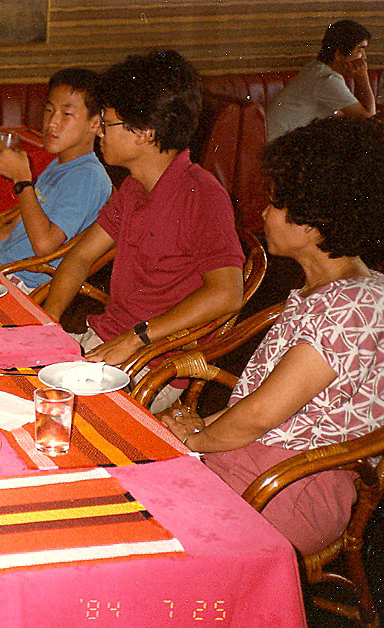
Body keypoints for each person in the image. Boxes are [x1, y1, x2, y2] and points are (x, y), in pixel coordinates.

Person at [162, 117, 384, 555]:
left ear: (314, 222)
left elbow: (264, 413)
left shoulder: (354, 307)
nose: (263, 213)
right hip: (257, 458)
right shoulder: (326, 293)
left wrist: (194, 440)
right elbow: (269, 409)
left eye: (275, 203)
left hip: (292, 488)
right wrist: (200, 427)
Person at [41, 50, 244, 413]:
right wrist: (50, 321)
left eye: (107, 123)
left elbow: (227, 293)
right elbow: (82, 255)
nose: (99, 131)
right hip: (105, 342)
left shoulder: (201, 195)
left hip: (151, 364)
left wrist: (136, 339)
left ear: (145, 133)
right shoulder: (135, 187)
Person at [0, 68, 112, 292]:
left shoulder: (88, 177)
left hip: (20, 281)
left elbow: (44, 246)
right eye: (49, 110)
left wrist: (22, 181)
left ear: (95, 124)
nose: (52, 123)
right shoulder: (60, 165)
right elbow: (14, 229)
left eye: (66, 114)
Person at [266, 19, 376, 141]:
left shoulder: (316, 69)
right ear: (338, 54)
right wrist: (362, 77)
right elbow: (369, 122)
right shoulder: (327, 79)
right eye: (360, 49)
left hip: (285, 142)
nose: (364, 57)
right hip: (282, 146)